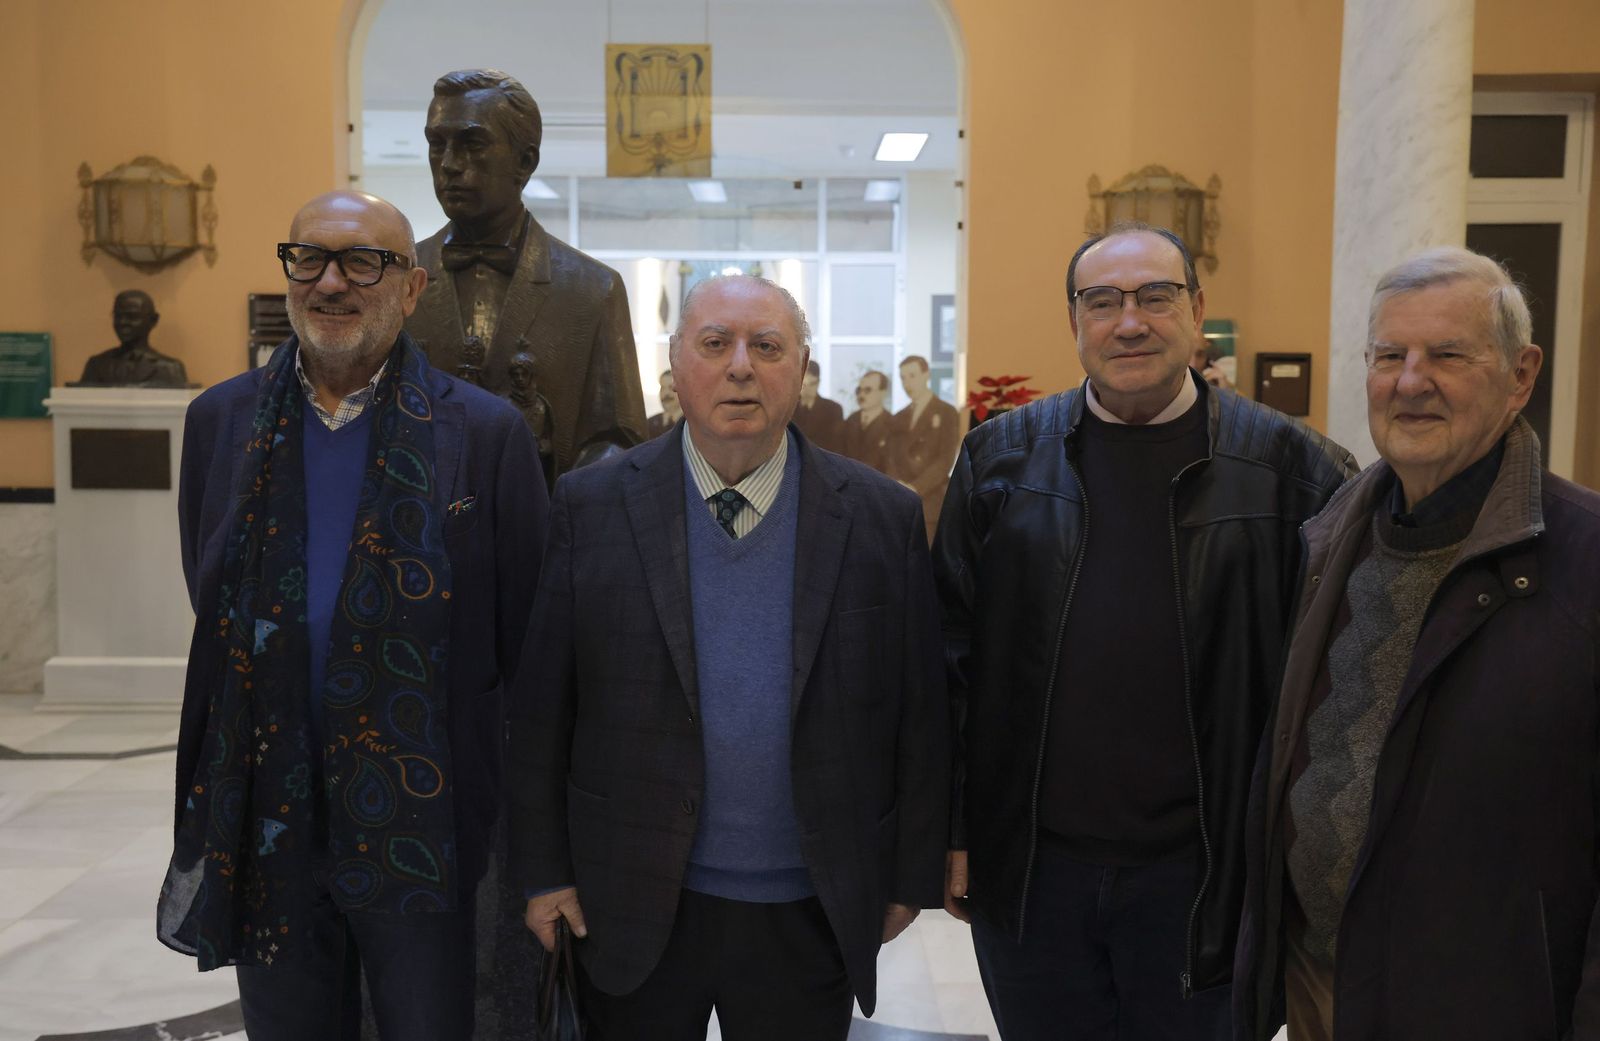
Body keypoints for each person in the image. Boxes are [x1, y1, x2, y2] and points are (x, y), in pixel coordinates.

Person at [934, 222, 1354, 1040]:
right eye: (1103, 301)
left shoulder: (1298, 475)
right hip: (1035, 877)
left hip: (1207, 876)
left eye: (1155, 297)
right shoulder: (998, 462)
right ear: (1075, 322)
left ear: (1196, 312)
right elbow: (949, 662)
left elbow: (1335, 691)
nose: (1130, 321)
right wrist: (953, 833)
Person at [507, 274, 948, 1041]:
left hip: (807, 903)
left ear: (802, 368)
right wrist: (545, 871)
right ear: (676, 364)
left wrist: (910, 875)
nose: (740, 365)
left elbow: (921, 711)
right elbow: (544, 705)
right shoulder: (592, 505)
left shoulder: (882, 516)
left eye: (767, 346)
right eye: (715, 344)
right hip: (631, 896)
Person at [156, 190, 547, 1041]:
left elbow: (523, 644)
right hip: (268, 812)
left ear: (410, 288)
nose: (332, 281)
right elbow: (211, 589)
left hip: (423, 820)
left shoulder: (484, 434)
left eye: (362, 261)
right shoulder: (219, 422)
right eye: (311, 258)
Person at [1234, 247, 1600, 1041]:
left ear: (1521, 375)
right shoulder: (1329, 540)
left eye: (1447, 355)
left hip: (1485, 1008)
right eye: (1390, 355)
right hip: (1321, 987)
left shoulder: (1587, 561)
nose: (1410, 381)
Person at [406, 67, 646, 481]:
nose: (448, 164)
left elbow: (620, 440)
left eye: (472, 144)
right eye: (437, 144)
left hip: (546, 534)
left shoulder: (593, 289)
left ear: (525, 161)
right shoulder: (396, 278)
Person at [890, 355, 960, 544]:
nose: (907, 383)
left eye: (912, 376)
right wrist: (898, 487)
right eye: (903, 378)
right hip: (899, 501)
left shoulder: (946, 412)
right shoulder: (898, 417)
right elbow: (891, 458)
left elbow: (945, 460)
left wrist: (916, 487)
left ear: (926, 375)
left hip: (930, 502)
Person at [75, 289, 189, 387]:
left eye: (132, 317)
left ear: (153, 320)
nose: (123, 322)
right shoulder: (96, 365)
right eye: (118, 316)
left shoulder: (170, 369)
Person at [840, 370, 895, 475]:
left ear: (883, 393)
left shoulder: (892, 424)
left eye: (867, 390)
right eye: (859, 390)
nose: (861, 395)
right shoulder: (850, 420)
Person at [793, 359, 844, 452]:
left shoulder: (833, 410)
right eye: (804, 385)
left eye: (812, 384)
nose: (807, 389)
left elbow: (837, 446)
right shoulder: (789, 408)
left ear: (818, 382)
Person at [646, 369, 682, 438]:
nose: (666, 393)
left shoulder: (691, 422)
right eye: (662, 388)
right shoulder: (649, 424)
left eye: (670, 387)